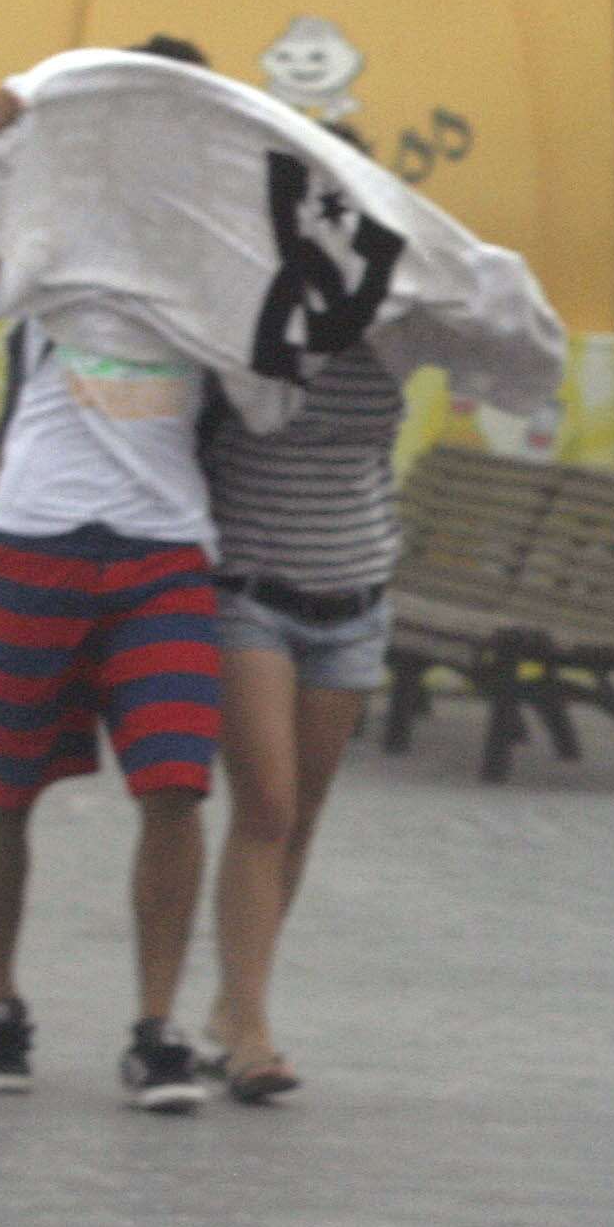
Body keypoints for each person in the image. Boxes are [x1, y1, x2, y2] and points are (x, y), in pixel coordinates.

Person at [0, 38, 225, 1114]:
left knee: (174, 786)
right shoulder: (53, 225)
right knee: (4, 788)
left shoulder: (219, 247)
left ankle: (157, 1029)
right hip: (39, 537)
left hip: (164, 552)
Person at [193, 334, 408, 1103]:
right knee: (268, 807)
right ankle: (249, 1030)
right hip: (251, 595)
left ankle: (232, 1002)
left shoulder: (395, 323)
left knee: (302, 812)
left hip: (354, 603)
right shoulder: (248, 315)